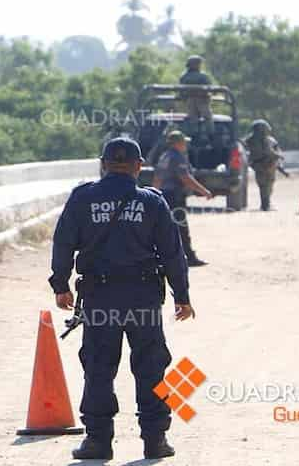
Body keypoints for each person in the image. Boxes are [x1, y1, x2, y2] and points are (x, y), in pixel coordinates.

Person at [50, 137, 196, 461]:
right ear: (139, 166)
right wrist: (181, 296)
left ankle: (98, 442)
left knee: (99, 367)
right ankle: (155, 439)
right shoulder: (153, 202)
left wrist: (60, 284)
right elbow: (173, 253)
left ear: (103, 164)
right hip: (143, 298)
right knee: (151, 368)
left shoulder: (82, 198)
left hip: (100, 299)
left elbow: (63, 243)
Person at [153, 131, 213, 267]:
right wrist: (204, 191)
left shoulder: (165, 156)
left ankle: (163, 258)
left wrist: (156, 195)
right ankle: (189, 257)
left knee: (165, 228)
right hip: (174, 197)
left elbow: (157, 178)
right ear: (177, 143)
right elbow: (185, 178)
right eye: (183, 142)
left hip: (164, 196)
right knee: (181, 228)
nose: (185, 145)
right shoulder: (177, 157)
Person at [243, 119, 283, 211]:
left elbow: (277, 151)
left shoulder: (269, 140)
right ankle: (265, 204)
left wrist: (278, 160)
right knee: (265, 185)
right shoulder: (250, 141)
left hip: (267, 165)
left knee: (266, 185)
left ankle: (266, 203)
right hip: (262, 165)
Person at [178, 55, 214, 138]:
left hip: (190, 101)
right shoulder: (203, 76)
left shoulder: (184, 77)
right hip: (202, 100)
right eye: (198, 63)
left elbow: (181, 91)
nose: (199, 65)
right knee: (207, 117)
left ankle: (193, 136)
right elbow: (209, 88)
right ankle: (211, 135)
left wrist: (184, 98)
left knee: (192, 119)